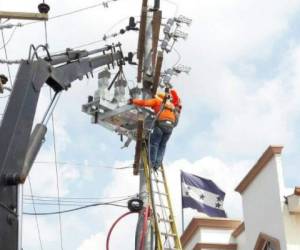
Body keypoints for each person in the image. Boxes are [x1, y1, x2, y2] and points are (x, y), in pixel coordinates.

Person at [130, 89, 182, 170]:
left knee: (154, 144)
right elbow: (176, 98)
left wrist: (133, 101)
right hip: (170, 127)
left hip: (160, 125)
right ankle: (157, 165)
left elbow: (144, 103)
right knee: (162, 145)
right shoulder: (171, 105)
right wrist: (171, 90)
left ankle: (152, 163)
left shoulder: (156, 101)